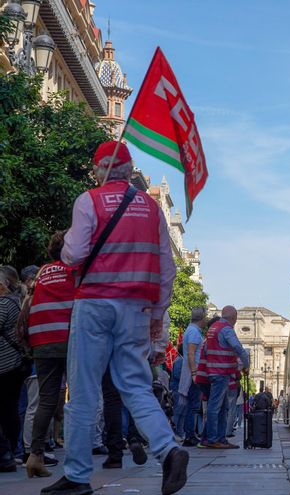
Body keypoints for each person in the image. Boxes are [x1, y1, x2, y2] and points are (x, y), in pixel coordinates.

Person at [42, 142, 188, 495]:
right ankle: (168, 450)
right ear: (128, 170)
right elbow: (167, 269)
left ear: (99, 169)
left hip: (94, 304)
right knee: (136, 386)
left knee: (83, 390)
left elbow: (73, 255)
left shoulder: (88, 201)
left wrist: (67, 242)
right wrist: (158, 313)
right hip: (136, 308)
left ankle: (77, 475)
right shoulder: (151, 209)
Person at [24, 232, 75, 478]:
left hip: (41, 340)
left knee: (46, 400)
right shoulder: (73, 271)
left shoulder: (42, 272)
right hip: (68, 340)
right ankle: (77, 457)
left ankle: (35, 456)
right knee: (79, 398)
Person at [195, 306, 249, 449]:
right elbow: (237, 347)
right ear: (234, 318)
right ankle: (213, 439)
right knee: (215, 407)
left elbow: (206, 351)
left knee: (223, 407)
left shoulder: (213, 329)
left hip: (213, 372)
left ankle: (220, 438)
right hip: (221, 372)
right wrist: (246, 364)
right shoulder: (226, 329)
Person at [0, 266, 25, 473]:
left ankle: (6, 453)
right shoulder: (16, 301)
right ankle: (11, 451)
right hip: (15, 364)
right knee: (10, 408)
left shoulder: (4, 304)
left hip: (5, 364)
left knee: (7, 409)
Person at [178, 307, 206, 446]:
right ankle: (189, 435)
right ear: (202, 318)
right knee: (193, 406)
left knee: (192, 405)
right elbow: (191, 353)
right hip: (193, 374)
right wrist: (194, 373)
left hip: (192, 372)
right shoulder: (194, 332)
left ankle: (190, 434)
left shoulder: (191, 330)